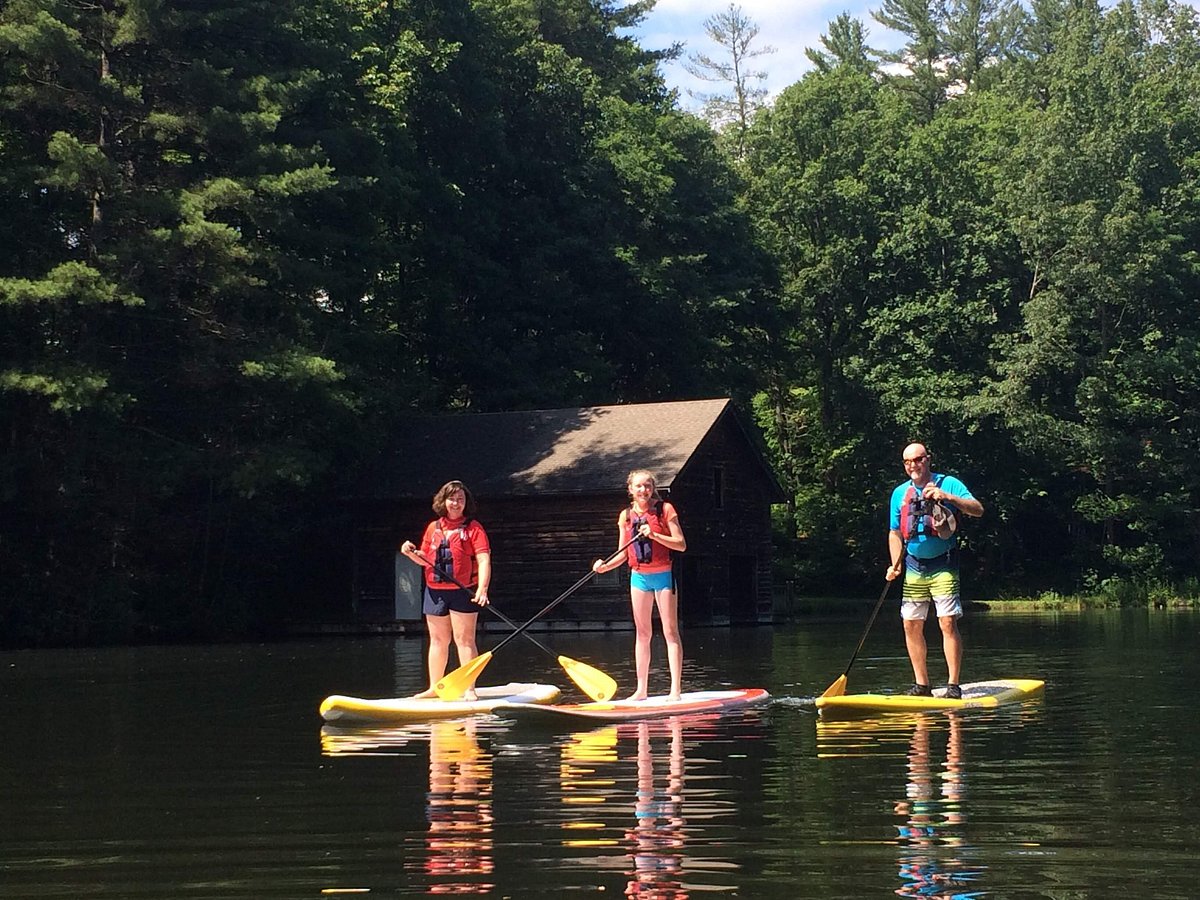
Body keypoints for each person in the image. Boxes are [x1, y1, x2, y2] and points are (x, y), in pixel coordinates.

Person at [884, 443, 984, 699]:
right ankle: (922, 685)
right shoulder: (899, 494)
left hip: (944, 563)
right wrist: (894, 564)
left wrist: (948, 498)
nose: (912, 466)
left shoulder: (948, 483)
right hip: (914, 566)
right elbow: (895, 532)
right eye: (907, 462)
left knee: (947, 621)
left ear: (927, 459)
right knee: (911, 624)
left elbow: (978, 509)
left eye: (917, 460)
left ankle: (953, 685)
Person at [592, 470, 687, 701]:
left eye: (647, 486)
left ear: (653, 488)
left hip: (663, 575)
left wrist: (654, 535)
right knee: (643, 633)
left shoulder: (665, 510)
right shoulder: (625, 516)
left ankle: (675, 690)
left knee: (669, 631)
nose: (643, 490)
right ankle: (641, 690)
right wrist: (604, 566)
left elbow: (681, 544)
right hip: (639, 577)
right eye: (638, 486)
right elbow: (623, 553)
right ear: (631, 490)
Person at [400, 480, 491, 700]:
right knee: (438, 640)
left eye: (461, 499)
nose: (456, 503)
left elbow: (483, 559)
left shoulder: (473, 528)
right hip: (435, 591)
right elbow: (425, 560)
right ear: (444, 501)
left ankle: (469, 689)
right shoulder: (434, 528)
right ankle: (434, 687)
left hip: (463, 591)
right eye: (452, 499)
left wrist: (482, 588)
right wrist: (410, 553)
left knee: (465, 639)